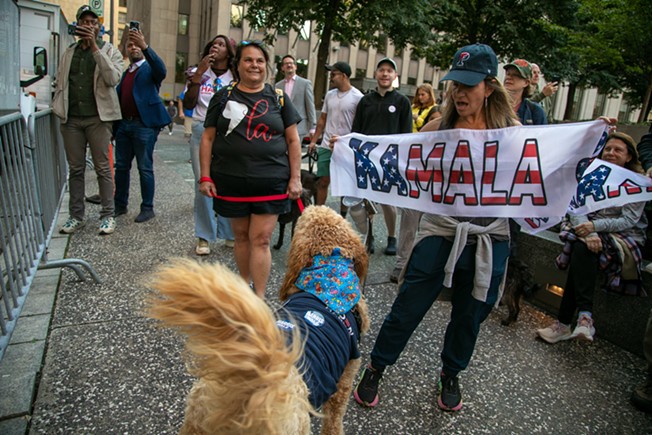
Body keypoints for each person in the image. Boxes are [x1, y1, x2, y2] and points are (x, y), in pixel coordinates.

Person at [354, 43, 519, 412]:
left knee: (469, 313)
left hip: (488, 238)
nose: (459, 92)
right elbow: (394, 158)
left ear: (489, 88)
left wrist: (593, 138)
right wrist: (354, 152)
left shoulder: (513, 133)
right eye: (455, 84)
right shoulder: (438, 128)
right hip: (440, 230)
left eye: (469, 85)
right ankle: (377, 366)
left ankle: (451, 374)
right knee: (409, 304)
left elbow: (547, 167)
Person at [198, 40, 302, 297]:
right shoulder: (222, 97)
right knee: (241, 237)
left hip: (271, 182)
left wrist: (296, 178)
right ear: (238, 64)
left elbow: (293, 140)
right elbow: (207, 138)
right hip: (231, 181)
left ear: (266, 66)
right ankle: (244, 291)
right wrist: (205, 176)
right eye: (248, 60)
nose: (254, 65)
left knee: (261, 239)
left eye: (260, 60)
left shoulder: (279, 99)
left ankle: (260, 297)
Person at [537, 131, 647, 344]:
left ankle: (566, 322)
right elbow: (575, 206)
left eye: (618, 150)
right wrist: (590, 232)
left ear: (629, 156)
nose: (611, 153)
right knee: (583, 247)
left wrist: (594, 227)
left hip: (622, 235)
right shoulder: (590, 175)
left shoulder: (637, 183)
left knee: (580, 249)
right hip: (587, 230)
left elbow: (629, 220)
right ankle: (583, 319)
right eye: (608, 149)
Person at [52, 5, 123, 235]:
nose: (89, 25)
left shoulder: (110, 50)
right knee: (76, 169)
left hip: (98, 119)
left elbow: (112, 78)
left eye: (93, 22)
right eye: (85, 21)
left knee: (103, 168)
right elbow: (60, 82)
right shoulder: (69, 52)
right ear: (78, 25)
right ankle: (76, 216)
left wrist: (94, 47)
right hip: (71, 119)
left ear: (99, 27)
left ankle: (107, 215)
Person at [351, 57, 412, 255]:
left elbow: (406, 134)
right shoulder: (365, 101)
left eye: (389, 71)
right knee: (367, 200)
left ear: (395, 76)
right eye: (381, 70)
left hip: (390, 160)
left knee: (388, 201)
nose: (385, 74)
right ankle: (369, 236)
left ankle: (391, 237)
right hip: (366, 159)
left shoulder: (402, 102)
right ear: (376, 74)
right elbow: (356, 131)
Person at [183, 34, 236, 255]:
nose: (216, 47)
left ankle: (229, 232)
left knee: (227, 180)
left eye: (221, 44)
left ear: (229, 52)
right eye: (214, 44)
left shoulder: (236, 76)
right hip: (201, 128)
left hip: (228, 132)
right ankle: (204, 236)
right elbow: (188, 103)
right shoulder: (199, 73)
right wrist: (198, 75)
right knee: (203, 181)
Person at [113, 27, 171, 224]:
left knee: (144, 167)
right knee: (121, 167)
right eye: (130, 45)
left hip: (143, 126)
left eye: (136, 44)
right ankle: (120, 205)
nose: (133, 48)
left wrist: (145, 46)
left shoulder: (150, 68)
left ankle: (147, 208)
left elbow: (162, 70)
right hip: (124, 125)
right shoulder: (126, 72)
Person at [308, 61, 363, 208]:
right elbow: (323, 119)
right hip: (326, 145)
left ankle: (343, 217)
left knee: (344, 185)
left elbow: (360, 125)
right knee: (322, 181)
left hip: (346, 147)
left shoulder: (358, 97)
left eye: (333, 74)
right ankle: (319, 213)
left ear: (344, 76)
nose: (330, 77)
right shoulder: (330, 95)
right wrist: (314, 141)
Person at [275, 55, 317, 142]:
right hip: (282, 126)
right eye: (286, 64)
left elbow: (310, 106)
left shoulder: (305, 84)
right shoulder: (278, 86)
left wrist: (313, 128)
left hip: (299, 127)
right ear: (282, 68)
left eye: (291, 63)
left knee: (296, 154)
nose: (289, 65)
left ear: (295, 67)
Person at [503, 59, 547, 125]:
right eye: (508, 74)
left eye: (515, 75)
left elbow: (542, 134)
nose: (509, 77)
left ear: (526, 82)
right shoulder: (492, 105)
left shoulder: (535, 111)